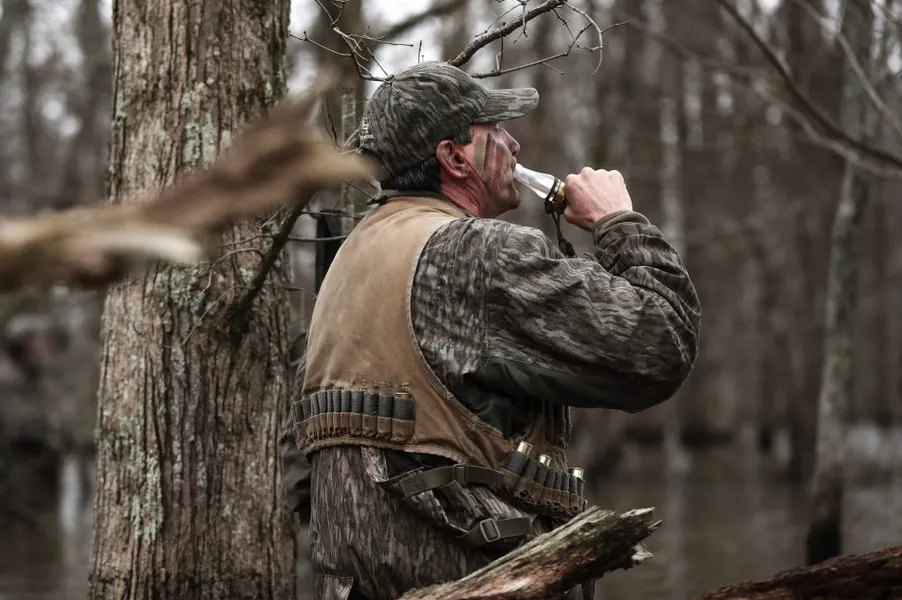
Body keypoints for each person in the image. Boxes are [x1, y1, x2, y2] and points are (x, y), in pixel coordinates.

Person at [283, 60, 701, 600]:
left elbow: (299, 473)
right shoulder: (477, 253)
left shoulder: (347, 263)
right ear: (454, 158)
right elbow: (661, 342)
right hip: (478, 584)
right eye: (495, 129)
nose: (514, 144)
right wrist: (617, 222)